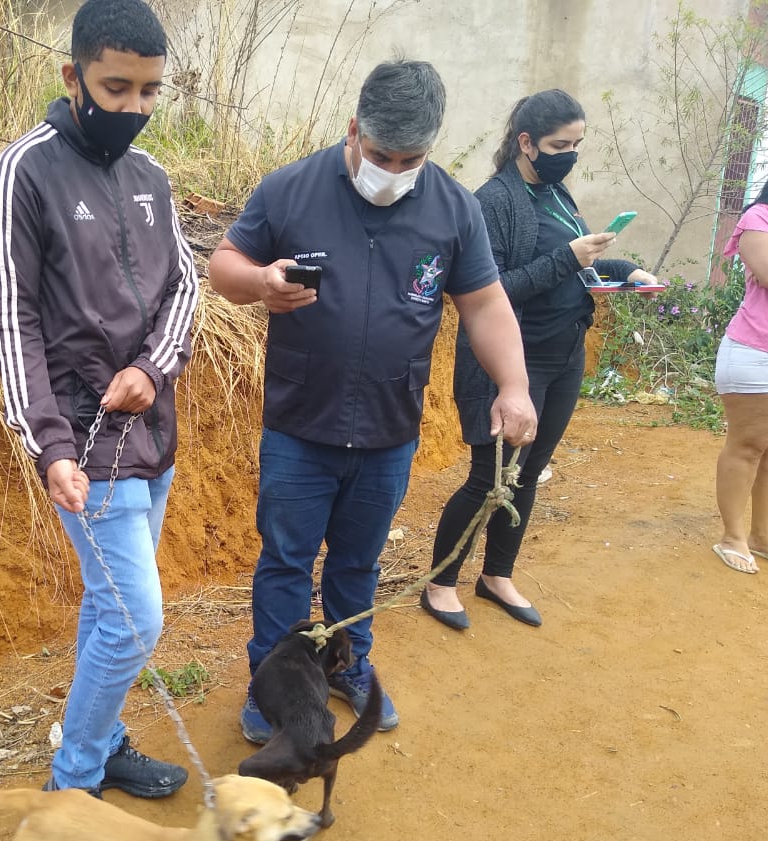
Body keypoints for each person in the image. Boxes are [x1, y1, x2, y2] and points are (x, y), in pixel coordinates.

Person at [207, 59, 538, 743]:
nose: (391, 168)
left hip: (389, 431)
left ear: (430, 149)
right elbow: (223, 267)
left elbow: (482, 304)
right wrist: (261, 280)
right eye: (380, 153)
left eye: (409, 158)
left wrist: (513, 385)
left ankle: (348, 667)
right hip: (300, 427)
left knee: (359, 563)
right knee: (286, 565)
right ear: (353, 129)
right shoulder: (291, 188)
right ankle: (274, 690)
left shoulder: (453, 208)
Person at [0, 0, 199, 796]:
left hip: (154, 432)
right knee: (138, 620)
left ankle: (99, 746)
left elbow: (184, 291)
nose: (133, 109)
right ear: (73, 77)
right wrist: (50, 444)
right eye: (115, 88)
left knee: (112, 614)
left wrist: (154, 367)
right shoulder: (20, 174)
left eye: (148, 92)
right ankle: (73, 785)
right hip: (87, 441)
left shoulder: (151, 177)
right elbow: (13, 318)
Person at [422, 89, 659, 627]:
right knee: (490, 476)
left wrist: (626, 270)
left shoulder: (557, 193)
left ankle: (496, 575)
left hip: (563, 356)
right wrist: (566, 258)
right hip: (508, 363)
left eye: (577, 143)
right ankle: (439, 584)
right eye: (560, 144)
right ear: (526, 143)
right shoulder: (495, 201)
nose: (570, 153)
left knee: (528, 474)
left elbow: (578, 259)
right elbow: (491, 290)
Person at [711, 179, 768, 574]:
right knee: (748, 445)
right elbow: (766, 274)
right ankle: (732, 536)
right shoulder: (758, 219)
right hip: (756, 352)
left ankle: (761, 536)